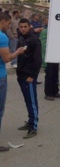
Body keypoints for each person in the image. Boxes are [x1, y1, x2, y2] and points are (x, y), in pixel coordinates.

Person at [0, 13, 26, 151]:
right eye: (8, 24)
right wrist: (17, 52)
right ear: (3, 21)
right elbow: (6, 58)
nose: (9, 26)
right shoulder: (2, 37)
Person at [16, 18, 42, 139]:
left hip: (29, 76)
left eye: (25, 26)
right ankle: (30, 121)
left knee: (32, 101)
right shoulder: (21, 38)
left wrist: (32, 76)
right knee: (27, 100)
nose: (23, 29)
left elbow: (37, 60)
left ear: (29, 27)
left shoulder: (34, 40)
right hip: (21, 75)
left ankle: (34, 126)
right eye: (21, 26)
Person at [40, 25, 60, 100]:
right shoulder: (45, 32)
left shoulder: (56, 32)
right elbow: (43, 47)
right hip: (47, 58)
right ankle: (48, 93)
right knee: (49, 76)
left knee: (55, 75)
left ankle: (55, 92)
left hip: (54, 57)